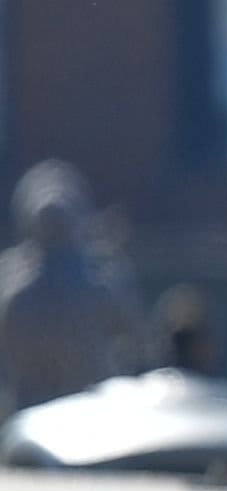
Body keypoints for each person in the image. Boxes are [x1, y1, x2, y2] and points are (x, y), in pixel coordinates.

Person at [0, 164, 143, 411]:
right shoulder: (99, 287)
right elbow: (136, 339)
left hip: (31, 416)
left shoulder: (14, 295)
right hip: (86, 413)